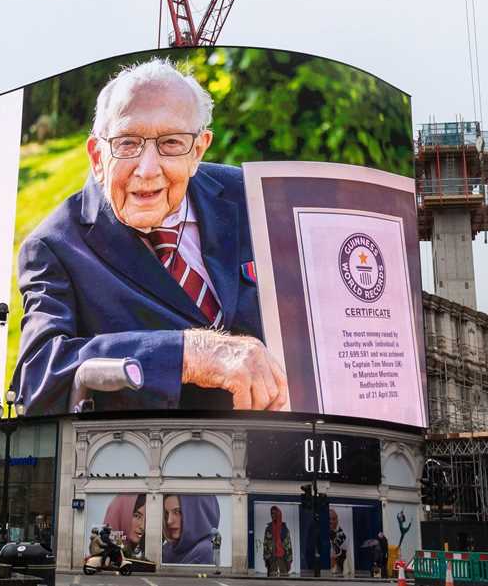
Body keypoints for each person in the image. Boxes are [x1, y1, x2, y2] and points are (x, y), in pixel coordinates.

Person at [14, 59, 288, 415]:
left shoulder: (252, 196)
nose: (147, 169)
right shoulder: (55, 247)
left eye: (171, 143)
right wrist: (188, 353)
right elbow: (38, 378)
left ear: (198, 151)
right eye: (127, 143)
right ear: (97, 155)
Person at [163, 494, 222, 564]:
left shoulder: (204, 551)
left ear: (198, 513)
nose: (169, 521)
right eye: (166, 513)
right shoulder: (169, 548)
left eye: (178, 512)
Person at [106, 493, 148, 559]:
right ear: (121, 514)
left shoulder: (140, 549)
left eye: (146, 519)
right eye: (137, 516)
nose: (142, 527)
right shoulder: (112, 538)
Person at [263, 505, 293, 575]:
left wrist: (289, 559)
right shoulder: (268, 529)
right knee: (272, 578)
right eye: (271, 513)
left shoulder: (284, 529)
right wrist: (265, 557)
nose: (272, 515)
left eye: (274, 513)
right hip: (272, 557)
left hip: (283, 558)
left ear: (278, 514)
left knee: (284, 577)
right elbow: (265, 544)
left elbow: (289, 546)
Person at [328, 508, 348, 574]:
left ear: (337, 520)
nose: (331, 521)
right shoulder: (322, 535)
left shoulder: (342, 536)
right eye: (329, 519)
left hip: (337, 571)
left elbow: (343, 557)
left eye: (333, 519)